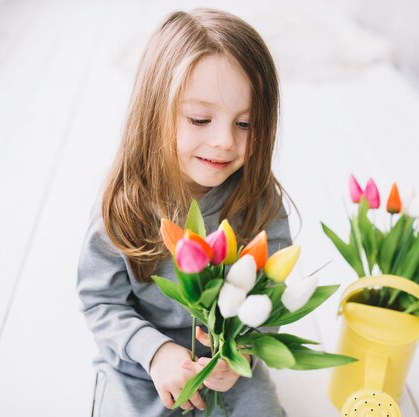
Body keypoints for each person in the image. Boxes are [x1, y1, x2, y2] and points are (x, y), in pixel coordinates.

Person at [76, 7, 295, 417]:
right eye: (200, 119)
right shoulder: (126, 203)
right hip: (143, 368)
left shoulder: (258, 200)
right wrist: (155, 352)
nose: (224, 141)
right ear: (154, 110)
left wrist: (241, 354)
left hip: (228, 364)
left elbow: (270, 297)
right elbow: (100, 302)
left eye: (245, 124)